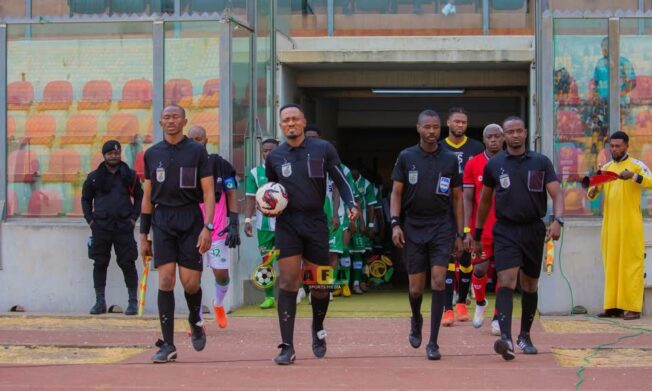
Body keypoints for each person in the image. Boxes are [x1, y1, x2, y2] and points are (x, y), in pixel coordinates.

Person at [264, 104, 359, 365]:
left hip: (317, 222)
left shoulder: (323, 149)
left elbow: (341, 179)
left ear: (303, 122)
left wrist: (351, 204)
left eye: (295, 119)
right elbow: (271, 190)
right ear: (281, 125)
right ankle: (287, 346)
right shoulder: (274, 157)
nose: (291, 123)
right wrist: (268, 209)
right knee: (288, 282)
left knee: (320, 285)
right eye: (286, 120)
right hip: (287, 224)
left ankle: (317, 327)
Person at [473, 116, 563, 361]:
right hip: (505, 230)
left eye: (518, 131)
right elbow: (485, 201)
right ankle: (506, 339)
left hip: (533, 229)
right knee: (506, 279)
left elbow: (557, 193)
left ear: (525, 133)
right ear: (503, 136)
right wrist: (478, 234)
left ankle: (525, 335)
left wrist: (557, 220)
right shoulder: (495, 165)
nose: (514, 135)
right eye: (509, 132)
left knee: (530, 285)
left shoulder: (541, 162)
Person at [139, 104, 216, 363]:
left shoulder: (197, 152)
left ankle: (195, 320)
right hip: (162, 220)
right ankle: (168, 344)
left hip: (190, 218)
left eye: (175, 117)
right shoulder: (152, 154)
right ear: (160, 122)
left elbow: (208, 192)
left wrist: (208, 227)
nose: (171, 121)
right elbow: (147, 196)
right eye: (166, 117)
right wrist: (143, 234)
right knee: (165, 280)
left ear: (184, 121)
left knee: (190, 282)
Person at [390, 109, 464, 360]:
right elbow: (396, 193)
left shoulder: (450, 159)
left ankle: (433, 342)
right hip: (413, 226)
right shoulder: (406, 156)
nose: (432, 132)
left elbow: (457, 198)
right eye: (427, 127)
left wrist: (460, 233)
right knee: (415, 288)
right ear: (418, 128)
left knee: (439, 280)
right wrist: (395, 224)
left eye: (435, 127)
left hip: (442, 226)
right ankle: (416, 317)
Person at [587, 131, 652, 320]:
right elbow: (592, 194)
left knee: (631, 264)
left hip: (631, 224)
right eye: (612, 146)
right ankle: (613, 306)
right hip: (610, 224)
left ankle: (632, 307)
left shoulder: (636, 165)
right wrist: (594, 185)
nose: (614, 149)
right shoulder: (606, 167)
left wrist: (633, 176)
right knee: (612, 263)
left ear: (626, 146)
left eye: (618, 146)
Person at [82, 140, 143, 315]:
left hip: (124, 226)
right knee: (100, 263)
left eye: (116, 153)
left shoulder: (130, 175)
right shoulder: (94, 177)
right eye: (110, 153)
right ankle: (100, 302)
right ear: (104, 155)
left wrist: (133, 219)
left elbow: (140, 198)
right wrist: (90, 220)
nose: (114, 156)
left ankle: (133, 302)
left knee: (128, 263)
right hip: (100, 227)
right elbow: (86, 199)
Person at [188, 125, 240, 328]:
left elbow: (232, 193)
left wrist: (234, 222)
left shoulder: (219, 165)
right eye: (191, 139)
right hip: (190, 231)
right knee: (193, 278)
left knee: (221, 275)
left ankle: (218, 305)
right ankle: (197, 317)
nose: (195, 143)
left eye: (199, 139)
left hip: (217, 231)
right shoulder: (182, 166)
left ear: (206, 141)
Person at [440, 107, 484, 326]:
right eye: (456, 121)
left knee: (466, 257)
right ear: (448, 123)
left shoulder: (476, 147)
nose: (460, 125)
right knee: (448, 257)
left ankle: (461, 303)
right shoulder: (439, 148)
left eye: (463, 122)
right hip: (445, 211)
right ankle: (447, 308)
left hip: (469, 209)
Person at [462, 124, 504, 334]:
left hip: (507, 226)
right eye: (490, 137)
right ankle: (480, 303)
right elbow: (467, 198)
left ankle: (498, 316)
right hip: (482, 228)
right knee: (480, 268)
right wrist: (468, 229)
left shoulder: (511, 161)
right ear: (484, 139)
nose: (494, 140)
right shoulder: (474, 163)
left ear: (503, 138)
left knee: (504, 274)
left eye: (497, 136)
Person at [245, 138, 280, 309]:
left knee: (289, 259)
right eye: (265, 150)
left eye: (271, 150)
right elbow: (250, 198)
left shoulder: (286, 170)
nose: (267, 153)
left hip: (284, 224)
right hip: (263, 225)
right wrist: (247, 219)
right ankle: (270, 297)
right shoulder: (254, 173)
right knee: (266, 260)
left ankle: (298, 290)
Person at [593, 37, 636, 126]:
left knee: (622, 129)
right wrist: (596, 97)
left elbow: (632, 83)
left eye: (605, 47)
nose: (603, 50)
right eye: (602, 47)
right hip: (603, 103)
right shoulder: (599, 63)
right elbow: (596, 83)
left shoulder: (624, 62)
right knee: (601, 128)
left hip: (620, 102)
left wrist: (620, 94)